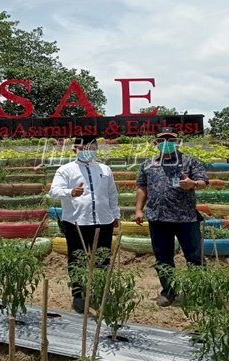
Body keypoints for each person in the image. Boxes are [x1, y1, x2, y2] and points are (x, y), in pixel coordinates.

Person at [134, 127, 209, 307]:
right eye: (162, 140)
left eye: (171, 140)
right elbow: (142, 187)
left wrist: (192, 184)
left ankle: (199, 291)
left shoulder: (190, 162)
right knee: (163, 258)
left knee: (194, 256)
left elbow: (204, 182)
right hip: (158, 218)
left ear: (178, 142)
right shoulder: (147, 164)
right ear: (155, 143)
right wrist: (138, 209)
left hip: (186, 217)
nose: (166, 143)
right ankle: (168, 291)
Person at [48, 137, 120, 314]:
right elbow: (54, 192)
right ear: (75, 150)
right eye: (84, 147)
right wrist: (71, 192)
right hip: (76, 221)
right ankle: (78, 294)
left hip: (104, 221)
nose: (88, 150)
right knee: (77, 258)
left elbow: (112, 193)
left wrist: (115, 214)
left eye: (92, 147)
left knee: (102, 258)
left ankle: (100, 291)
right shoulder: (65, 170)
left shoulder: (105, 169)